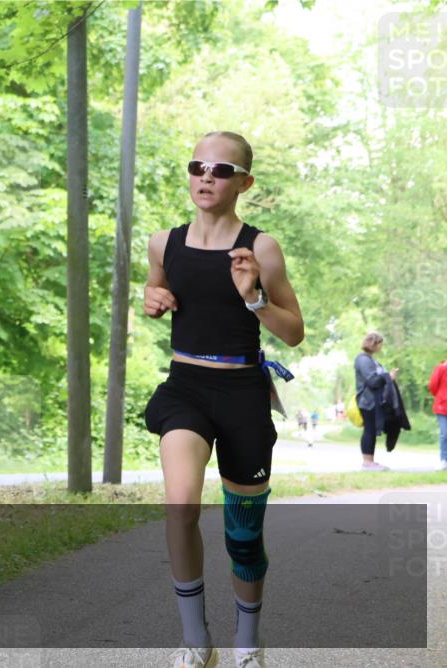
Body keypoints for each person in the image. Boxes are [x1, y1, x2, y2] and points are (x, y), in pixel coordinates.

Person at [143, 131, 304, 668]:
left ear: (244, 182)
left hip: (241, 394)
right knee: (181, 503)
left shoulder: (261, 247)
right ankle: (195, 642)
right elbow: (156, 289)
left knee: (243, 533)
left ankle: (247, 645)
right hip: (185, 387)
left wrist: (254, 297)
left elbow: (294, 331)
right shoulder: (163, 242)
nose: (206, 176)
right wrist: (153, 298)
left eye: (220, 169)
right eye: (197, 166)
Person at [354, 332, 402, 471]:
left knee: (373, 429)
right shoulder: (363, 359)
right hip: (367, 401)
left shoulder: (370, 359)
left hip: (375, 402)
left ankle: (370, 461)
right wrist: (389, 376)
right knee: (369, 430)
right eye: (380, 344)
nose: (381, 347)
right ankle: (367, 462)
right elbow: (372, 381)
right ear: (374, 343)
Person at [428, 359, 447, 470]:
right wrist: (442, 396)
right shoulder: (441, 368)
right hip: (442, 406)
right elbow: (433, 386)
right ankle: (444, 460)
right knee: (445, 434)